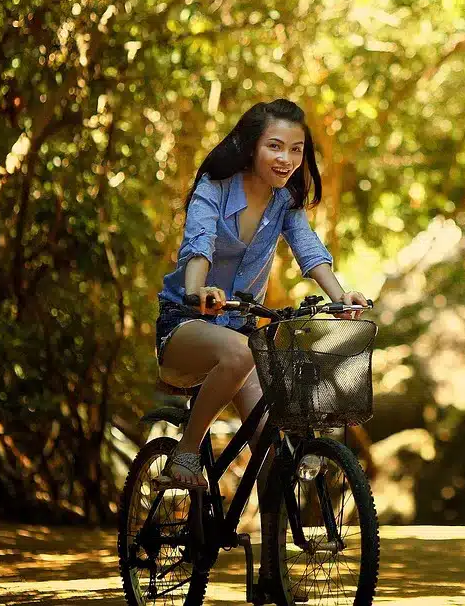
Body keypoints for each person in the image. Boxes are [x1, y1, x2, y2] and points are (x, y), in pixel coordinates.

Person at [154, 98, 367, 490]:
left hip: (242, 331)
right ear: (251, 146)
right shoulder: (214, 188)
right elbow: (198, 246)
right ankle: (185, 452)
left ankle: (274, 527)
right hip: (186, 323)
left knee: (273, 457)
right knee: (241, 352)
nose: (286, 159)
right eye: (275, 146)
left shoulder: (285, 201)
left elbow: (308, 248)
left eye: (296, 149)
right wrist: (198, 291)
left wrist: (342, 296)